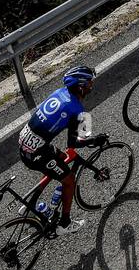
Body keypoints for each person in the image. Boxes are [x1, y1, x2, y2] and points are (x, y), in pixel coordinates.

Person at [17, 65, 106, 235]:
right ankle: (64, 223)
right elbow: (75, 143)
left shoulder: (59, 92)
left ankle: (30, 204)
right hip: (36, 153)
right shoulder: (76, 109)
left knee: (61, 158)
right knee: (69, 179)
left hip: (27, 142)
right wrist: (95, 139)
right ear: (80, 86)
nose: (91, 86)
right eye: (89, 83)